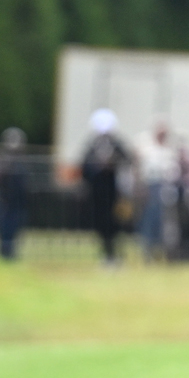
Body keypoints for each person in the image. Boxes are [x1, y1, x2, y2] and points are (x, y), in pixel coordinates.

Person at [79, 110, 129, 268]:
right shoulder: (92, 145)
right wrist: (98, 167)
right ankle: (106, 255)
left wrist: (113, 163)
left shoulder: (117, 145)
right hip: (97, 192)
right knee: (100, 225)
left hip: (114, 193)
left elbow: (127, 160)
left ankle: (116, 255)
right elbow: (84, 167)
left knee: (115, 225)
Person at [137, 120, 181, 263]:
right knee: (150, 221)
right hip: (151, 189)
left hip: (167, 191)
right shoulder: (148, 150)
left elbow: (174, 171)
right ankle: (148, 252)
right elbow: (143, 171)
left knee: (167, 224)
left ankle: (167, 253)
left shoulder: (170, 151)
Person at [0, 128, 30, 261]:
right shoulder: (4, 161)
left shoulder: (22, 162)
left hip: (18, 203)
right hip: (5, 202)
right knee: (5, 229)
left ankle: (11, 252)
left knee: (15, 228)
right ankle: (5, 252)